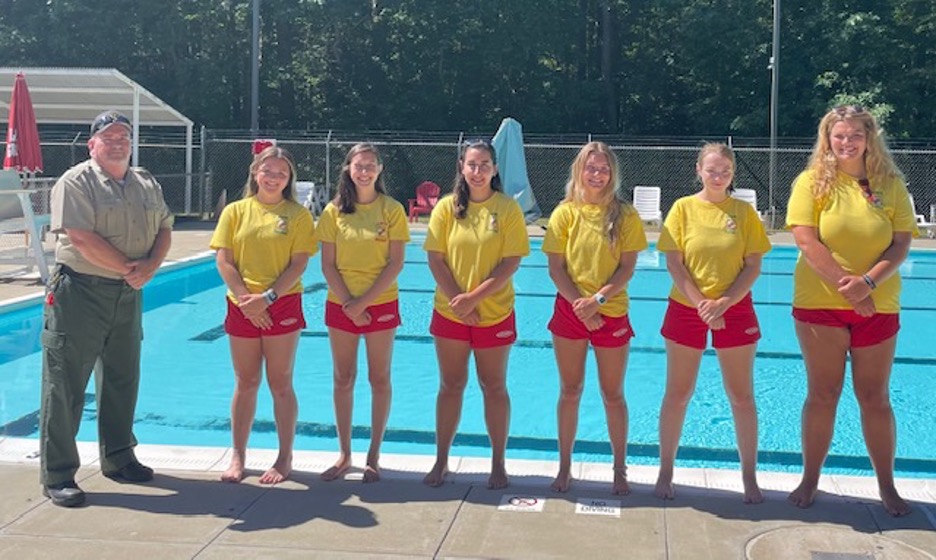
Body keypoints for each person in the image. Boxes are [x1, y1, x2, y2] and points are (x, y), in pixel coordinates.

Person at [786, 105, 917, 516]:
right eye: (838, 136)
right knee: (823, 395)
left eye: (854, 135)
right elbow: (806, 241)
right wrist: (851, 289)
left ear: (869, 138)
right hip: (820, 303)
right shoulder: (811, 182)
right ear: (827, 138)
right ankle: (810, 480)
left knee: (875, 398)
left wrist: (869, 285)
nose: (846, 143)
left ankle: (887, 486)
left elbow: (900, 244)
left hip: (879, 303)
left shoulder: (890, 184)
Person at [40, 110, 173, 507]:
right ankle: (58, 473)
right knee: (66, 384)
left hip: (128, 292)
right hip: (80, 292)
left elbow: (166, 226)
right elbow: (80, 237)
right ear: (92, 144)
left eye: (124, 137)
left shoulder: (145, 181)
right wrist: (131, 270)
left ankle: (118, 457)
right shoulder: (76, 181)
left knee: (122, 378)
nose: (117, 142)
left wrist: (149, 268)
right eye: (109, 137)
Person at [654, 143, 771, 504]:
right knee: (678, 394)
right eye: (712, 170)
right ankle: (665, 472)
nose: (718, 177)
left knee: (741, 396)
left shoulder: (743, 212)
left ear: (732, 174)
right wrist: (702, 303)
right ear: (699, 170)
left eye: (725, 171)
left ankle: (749, 476)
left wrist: (723, 302)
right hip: (688, 306)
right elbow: (675, 264)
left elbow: (753, 265)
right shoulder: (683, 209)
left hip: (733, 306)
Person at [422, 139, 530, 489]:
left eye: (485, 164)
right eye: (472, 164)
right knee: (450, 386)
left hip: (493, 313)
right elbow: (435, 258)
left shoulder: (507, 209)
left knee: (494, 387)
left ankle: (498, 463)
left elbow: (510, 261)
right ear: (461, 167)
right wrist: (459, 300)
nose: (478, 171)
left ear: (495, 169)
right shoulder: (446, 209)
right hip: (450, 312)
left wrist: (474, 299)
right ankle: (441, 460)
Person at [542, 142, 647, 495]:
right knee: (570, 391)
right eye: (591, 168)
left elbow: (628, 267)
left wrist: (599, 300)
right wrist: (581, 306)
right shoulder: (564, 213)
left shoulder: (625, 215)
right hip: (571, 311)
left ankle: (619, 468)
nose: (598, 175)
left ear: (613, 173)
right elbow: (556, 269)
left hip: (611, 310)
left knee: (612, 394)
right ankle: (565, 466)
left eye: (604, 169)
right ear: (580, 171)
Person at [210, 145, 316, 485]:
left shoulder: (297, 216)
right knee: (246, 381)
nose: (273, 178)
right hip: (242, 302)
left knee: (280, 383)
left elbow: (299, 264)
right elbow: (224, 260)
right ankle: (238, 454)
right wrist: (247, 299)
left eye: (280, 174)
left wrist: (267, 298)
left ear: (289, 179)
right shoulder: (235, 212)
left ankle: (284, 457)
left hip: (281, 302)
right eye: (267, 171)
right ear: (256, 172)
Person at [316, 144, 409, 483]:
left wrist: (364, 303)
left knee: (379, 378)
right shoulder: (333, 212)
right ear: (348, 169)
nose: (365, 171)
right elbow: (327, 264)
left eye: (371, 165)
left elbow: (395, 262)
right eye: (359, 165)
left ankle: (373, 453)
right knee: (343, 378)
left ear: (380, 170)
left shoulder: (392, 210)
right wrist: (349, 304)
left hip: (380, 303)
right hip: (341, 303)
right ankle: (344, 453)